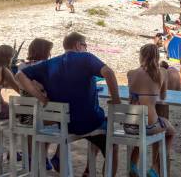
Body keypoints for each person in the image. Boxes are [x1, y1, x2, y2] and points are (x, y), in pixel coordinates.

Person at [16, 32, 121, 176]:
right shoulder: (86, 58)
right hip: (89, 123)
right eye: (85, 45)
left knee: (100, 130)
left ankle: (88, 171)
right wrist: (116, 101)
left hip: (65, 124)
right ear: (78, 45)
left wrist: (40, 97)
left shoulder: (49, 64)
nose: (86, 48)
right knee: (112, 144)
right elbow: (109, 72)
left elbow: (19, 75)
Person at [126, 44, 175, 177]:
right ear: (157, 57)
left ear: (141, 56)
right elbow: (163, 96)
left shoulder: (130, 73)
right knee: (170, 132)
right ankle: (154, 168)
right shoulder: (162, 72)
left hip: (129, 125)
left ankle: (132, 165)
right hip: (149, 125)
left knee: (140, 130)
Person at [17, 38, 54, 170]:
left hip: (24, 115)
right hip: (40, 115)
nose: (50, 54)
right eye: (49, 51)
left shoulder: (21, 66)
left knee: (36, 116)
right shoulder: (46, 66)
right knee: (61, 119)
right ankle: (43, 156)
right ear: (44, 52)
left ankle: (31, 156)